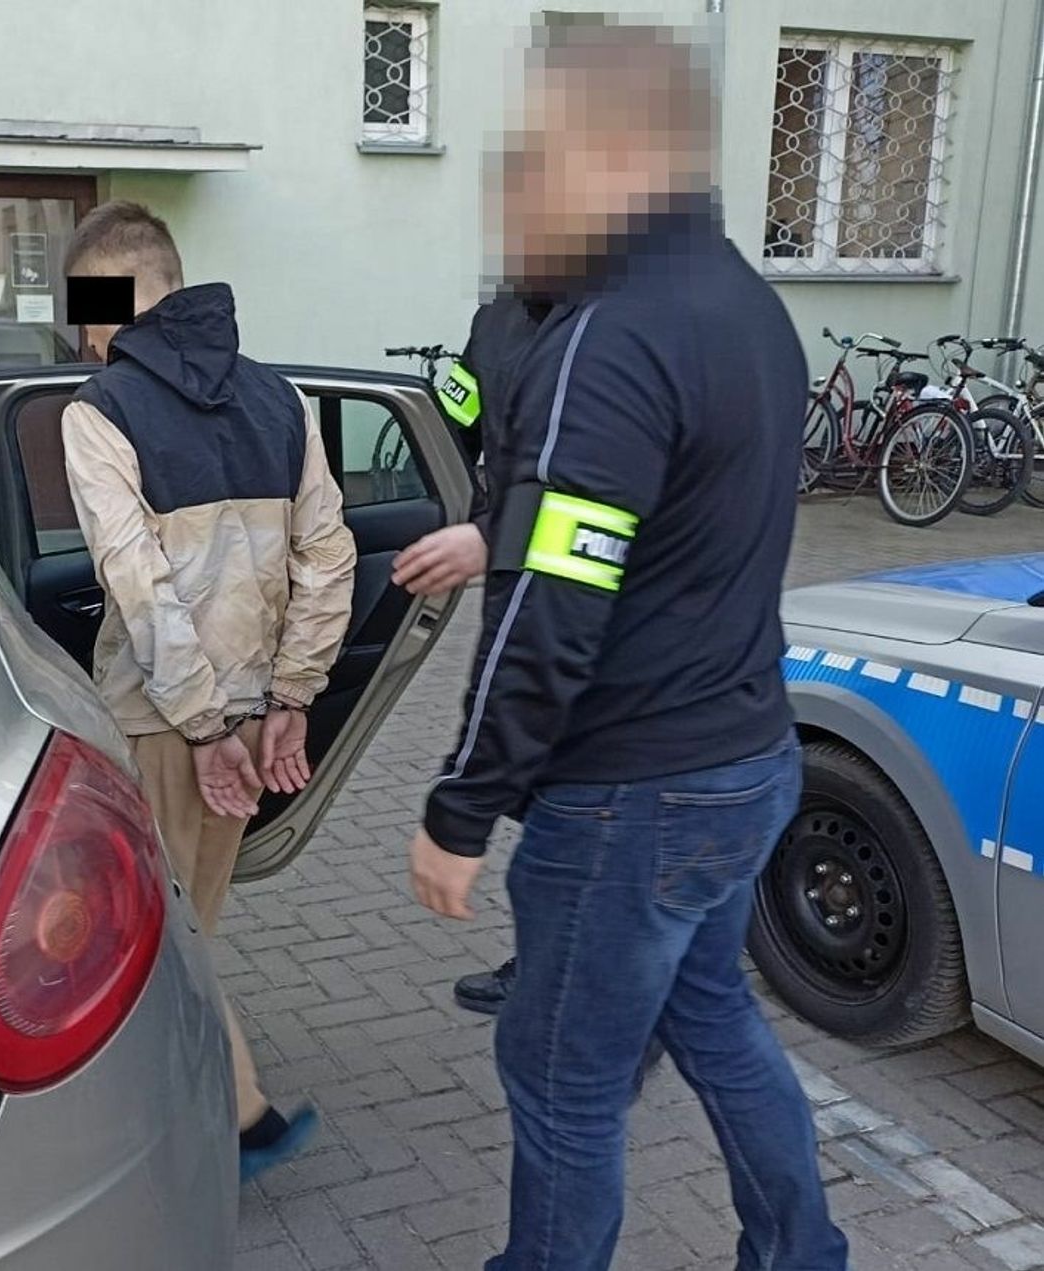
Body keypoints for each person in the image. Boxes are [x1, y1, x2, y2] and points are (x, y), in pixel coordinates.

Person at [406, 23, 847, 1271]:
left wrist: (460, 807)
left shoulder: (608, 337)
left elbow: (551, 607)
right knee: (716, 1020)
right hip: (744, 759)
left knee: (560, 1076)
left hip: (630, 795)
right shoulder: (747, 304)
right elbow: (663, 525)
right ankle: (804, 1252)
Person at [58, 201, 357, 1182]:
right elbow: (328, 559)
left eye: (86, 310)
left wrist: (200, 725)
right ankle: (206, 1107)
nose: (84, 337)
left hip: (164, 724)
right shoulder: (281, 400)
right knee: (186, 923)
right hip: (243, 722)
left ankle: (229, 1115)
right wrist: (288, 699)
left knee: (156, 932)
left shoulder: (98, 412)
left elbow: (140, 588)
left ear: (116, 295)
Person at [392, 296, 545, 1017]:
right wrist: (435, 505)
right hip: (518, 578)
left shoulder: (611, 324)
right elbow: (453, 425)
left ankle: (556, 967)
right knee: (549, 791)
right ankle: (550, 956)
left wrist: (495, 535)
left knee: (565, 791)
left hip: (578, 583)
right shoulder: (496, 324)